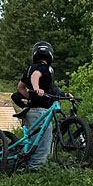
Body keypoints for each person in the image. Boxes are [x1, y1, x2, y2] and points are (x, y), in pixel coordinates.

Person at [18, 43, 58, 171]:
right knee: (44, 144)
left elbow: (20, 88)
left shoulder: (29, 68)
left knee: (32, 142)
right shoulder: (43, 68)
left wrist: (31, 98)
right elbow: (37, 75)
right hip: (41, 111)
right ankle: (35, 171)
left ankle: (26, 166)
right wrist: (37, 89)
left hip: (31, 111)